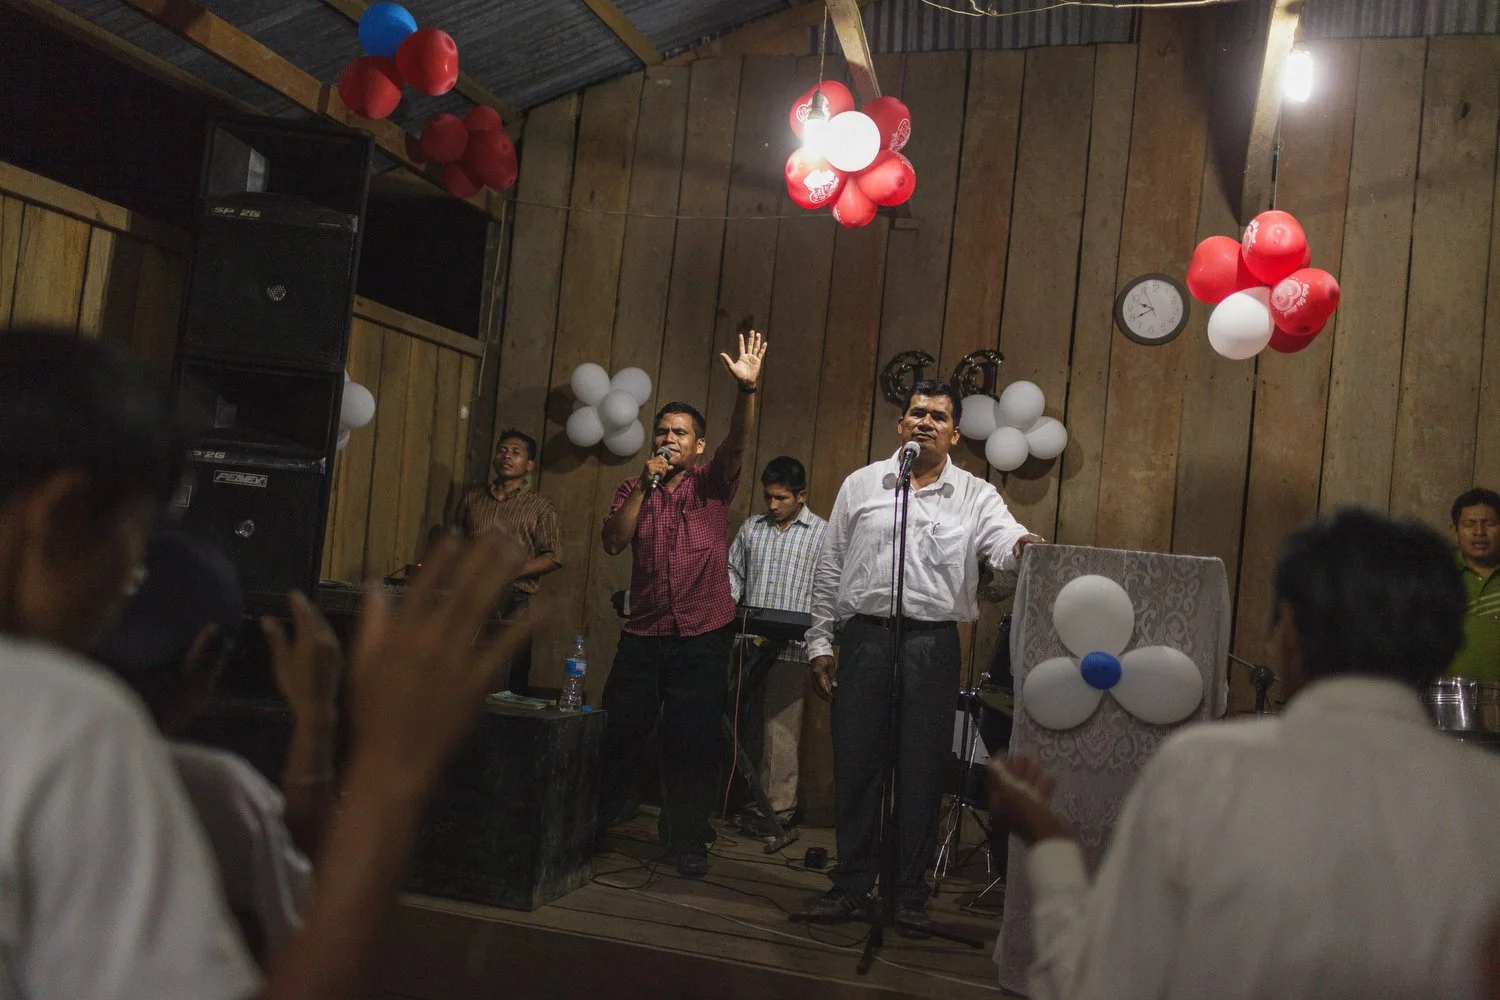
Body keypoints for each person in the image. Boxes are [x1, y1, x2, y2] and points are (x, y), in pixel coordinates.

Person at [0, 328, 536, 1000]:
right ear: (64, 512)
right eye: (133, 546)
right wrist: (390, 772)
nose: (123, 586)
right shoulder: (66, 725)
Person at [988, 508, 1500, 1000]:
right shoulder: (1487, 796)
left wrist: (1049, 841)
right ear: (1445, 647)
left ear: (1290, 632)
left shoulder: (1205, 769)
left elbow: (1099, 986)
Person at [804, 379, 1042, 936]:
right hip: (864, 640)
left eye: (938, 416)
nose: (925, 422)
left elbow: (1003, 539)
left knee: (921, 772)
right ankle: (852, 885)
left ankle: (907, 893)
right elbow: (830, 567)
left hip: (932, 646)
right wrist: (820, 641)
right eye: (917, 413)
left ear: (955, 434)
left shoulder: (975, 495)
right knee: (858, 767)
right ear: (900, 424)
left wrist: (1021, 545)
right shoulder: (863, 484)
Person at [93, 530, 341, 963]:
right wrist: (315, 718)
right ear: (204, 653)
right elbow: (305, 928)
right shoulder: (212, 791)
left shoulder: (29, 755)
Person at [597, 330, 767, 878]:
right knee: (617, 733)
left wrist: (747, 390)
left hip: (700, 636)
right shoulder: (633, 489)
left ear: (697, 447)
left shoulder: (711, 484)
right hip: (644, 633)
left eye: (681, 433)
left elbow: (737, 443)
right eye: (663, 431)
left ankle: (687, 839)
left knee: (692, 745)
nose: (669, 439)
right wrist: (644, 487)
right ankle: (594, 825)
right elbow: (613, 542)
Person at [727, 456, 826, 837]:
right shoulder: (752, 529)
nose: (772, 505)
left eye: (781, 498)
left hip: (792, 647)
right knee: (746, 724)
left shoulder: (822, 534)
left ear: (802, 495)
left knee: (780, 730)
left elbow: (828, 588)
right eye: (768, 497)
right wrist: (731, 600)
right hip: (749, 641)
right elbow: (733, 570)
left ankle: (780, 809)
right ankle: (751, 801)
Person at [449, 429, 560, 694]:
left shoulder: (540, 506)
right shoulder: (473, 499)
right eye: (502, 450)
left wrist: (513, 571)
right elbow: (454, 542)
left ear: (530, 465)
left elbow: (553, 556)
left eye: (516, 452)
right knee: (462, 675)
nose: (506, 456)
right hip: (470, 598)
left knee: (510, 680)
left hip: (513, 601)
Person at [1448, 488, 1500, 682]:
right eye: (1470, 524)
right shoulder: (1439, 576)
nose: (1479, 532)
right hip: (1446, 694)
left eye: (1489, 524)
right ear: (1455, 531)